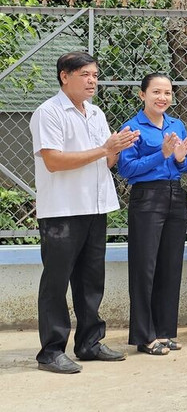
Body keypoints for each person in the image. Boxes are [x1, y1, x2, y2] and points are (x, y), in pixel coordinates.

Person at [30, 51, 139, 374]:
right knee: (56, 281)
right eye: (86, 74)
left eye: (95, 74)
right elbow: (53, 160)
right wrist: (104, 149)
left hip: (95, 206)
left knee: (91, 280)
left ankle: (89, 342)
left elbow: (105, 161)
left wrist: (115, 150)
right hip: (62, 210)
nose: (93, 80)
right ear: (65, 76)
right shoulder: (48, 112)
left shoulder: (95, 113)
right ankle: (50, 351)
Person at [118, 73, 187, 356]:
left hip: (175, 196)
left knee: (170, 265)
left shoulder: (176, 125)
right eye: (156, 92)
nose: (163, 98)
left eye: (168, 93)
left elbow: (183, 166)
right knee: (144, 267)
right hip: (147, 198)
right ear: (142, 95)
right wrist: (160, 154)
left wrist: (178, 158)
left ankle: (165, 331)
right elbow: (127, 169)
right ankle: (144, 335)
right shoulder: (132, 128)